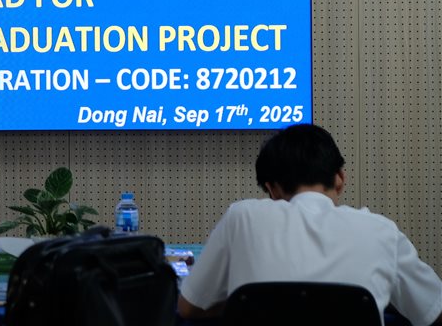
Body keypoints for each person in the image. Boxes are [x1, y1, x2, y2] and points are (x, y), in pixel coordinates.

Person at [178, 123, 442, 326]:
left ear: (272, 189)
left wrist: (246, 304)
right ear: (340, 179)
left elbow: (188, 308)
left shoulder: (241, 217)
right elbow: (434, 311)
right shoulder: (382, 231)